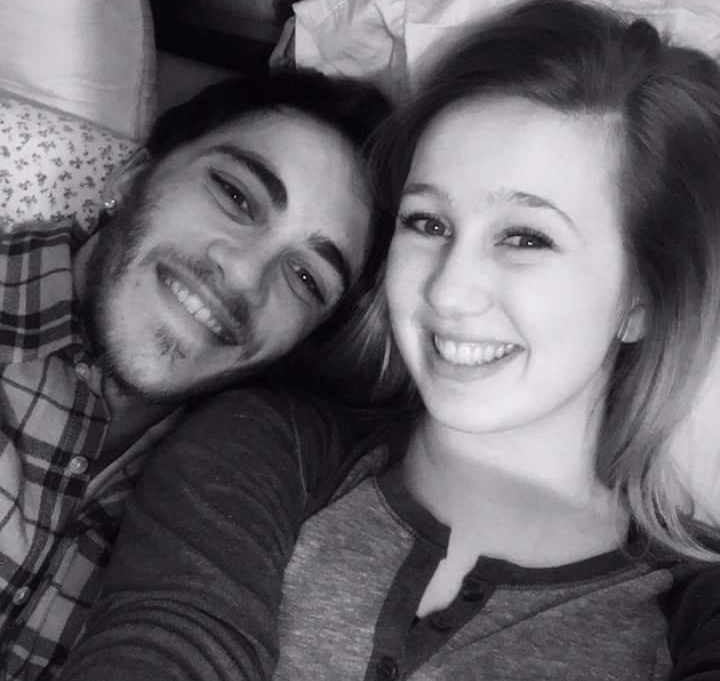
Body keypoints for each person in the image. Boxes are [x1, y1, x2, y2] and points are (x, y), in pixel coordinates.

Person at [59, 0, 720, 679]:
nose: (447, 291)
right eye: (428, 223)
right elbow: (171, 641)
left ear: (643, 297)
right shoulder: (263, 446)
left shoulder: (694, 606)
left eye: (526, 237)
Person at [0, 68, 392, 680]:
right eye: (235, 196)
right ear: (132, 177)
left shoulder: (240, 498)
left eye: (306, 277)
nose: (243, 274)